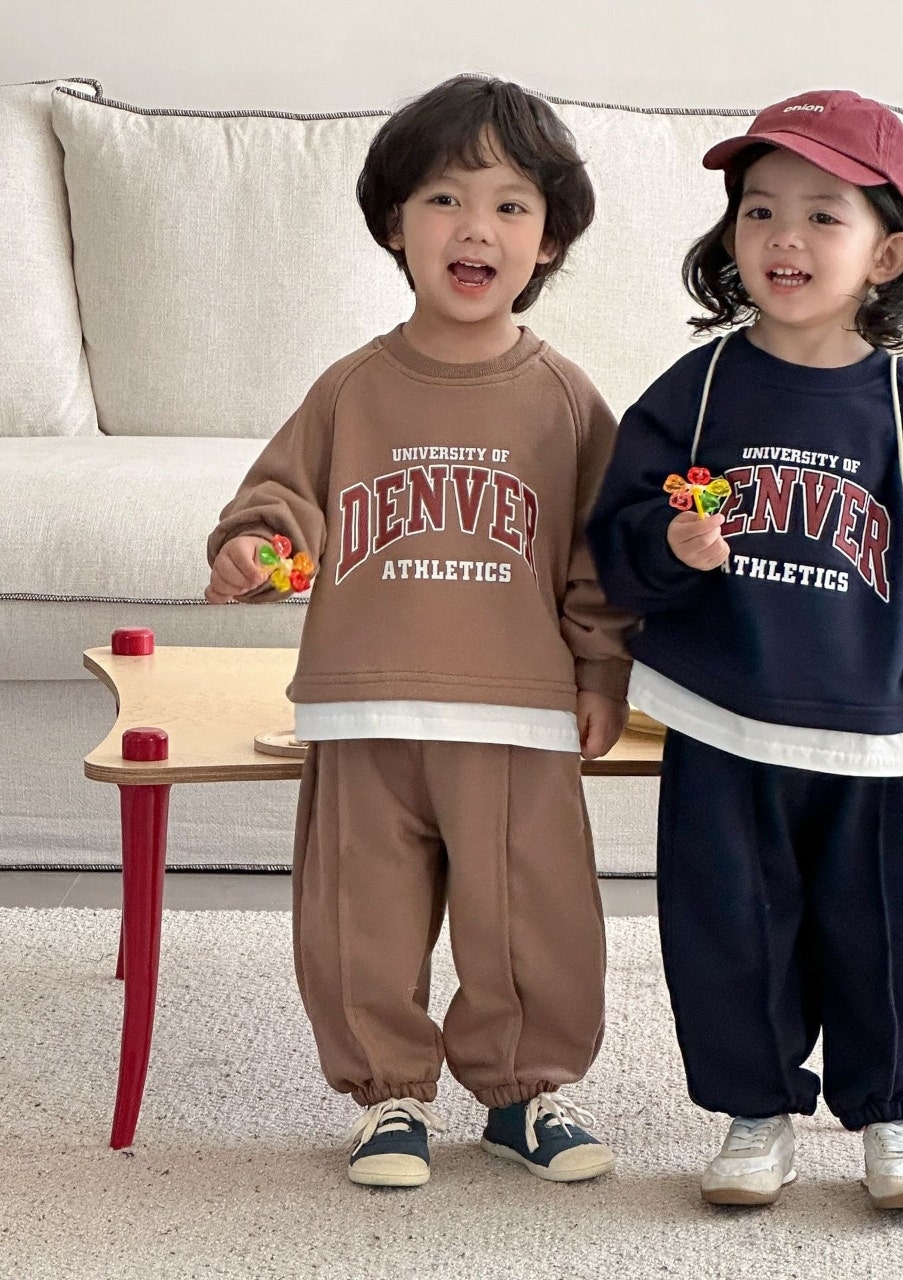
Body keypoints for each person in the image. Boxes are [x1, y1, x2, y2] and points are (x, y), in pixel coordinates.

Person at [205, 75, 632, 1190]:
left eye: (509, 204)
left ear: (548, 241)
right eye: (443, 198)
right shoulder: (351, 388)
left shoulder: (565, 398)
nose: (474, 226)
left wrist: (600, 670)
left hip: (516, 707)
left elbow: (601, 551)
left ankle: (522, 1095)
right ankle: (388, 1097)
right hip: (365, 701)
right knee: (362, 913)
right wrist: (253, 547)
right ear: (395, 224)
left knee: (529, 915)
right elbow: (281, 500)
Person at [587, 89, 903, 1210]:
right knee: (728, 927)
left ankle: (897, 1115)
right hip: (724, 713)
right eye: (760, 209)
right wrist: (669, 544)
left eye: (824, 215)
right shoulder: (699, 388)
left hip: (867, 727)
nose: (785, 235)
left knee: (892, 933)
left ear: (886, 254)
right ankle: (754, 1110)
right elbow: (615, 533)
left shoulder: (900, 408)